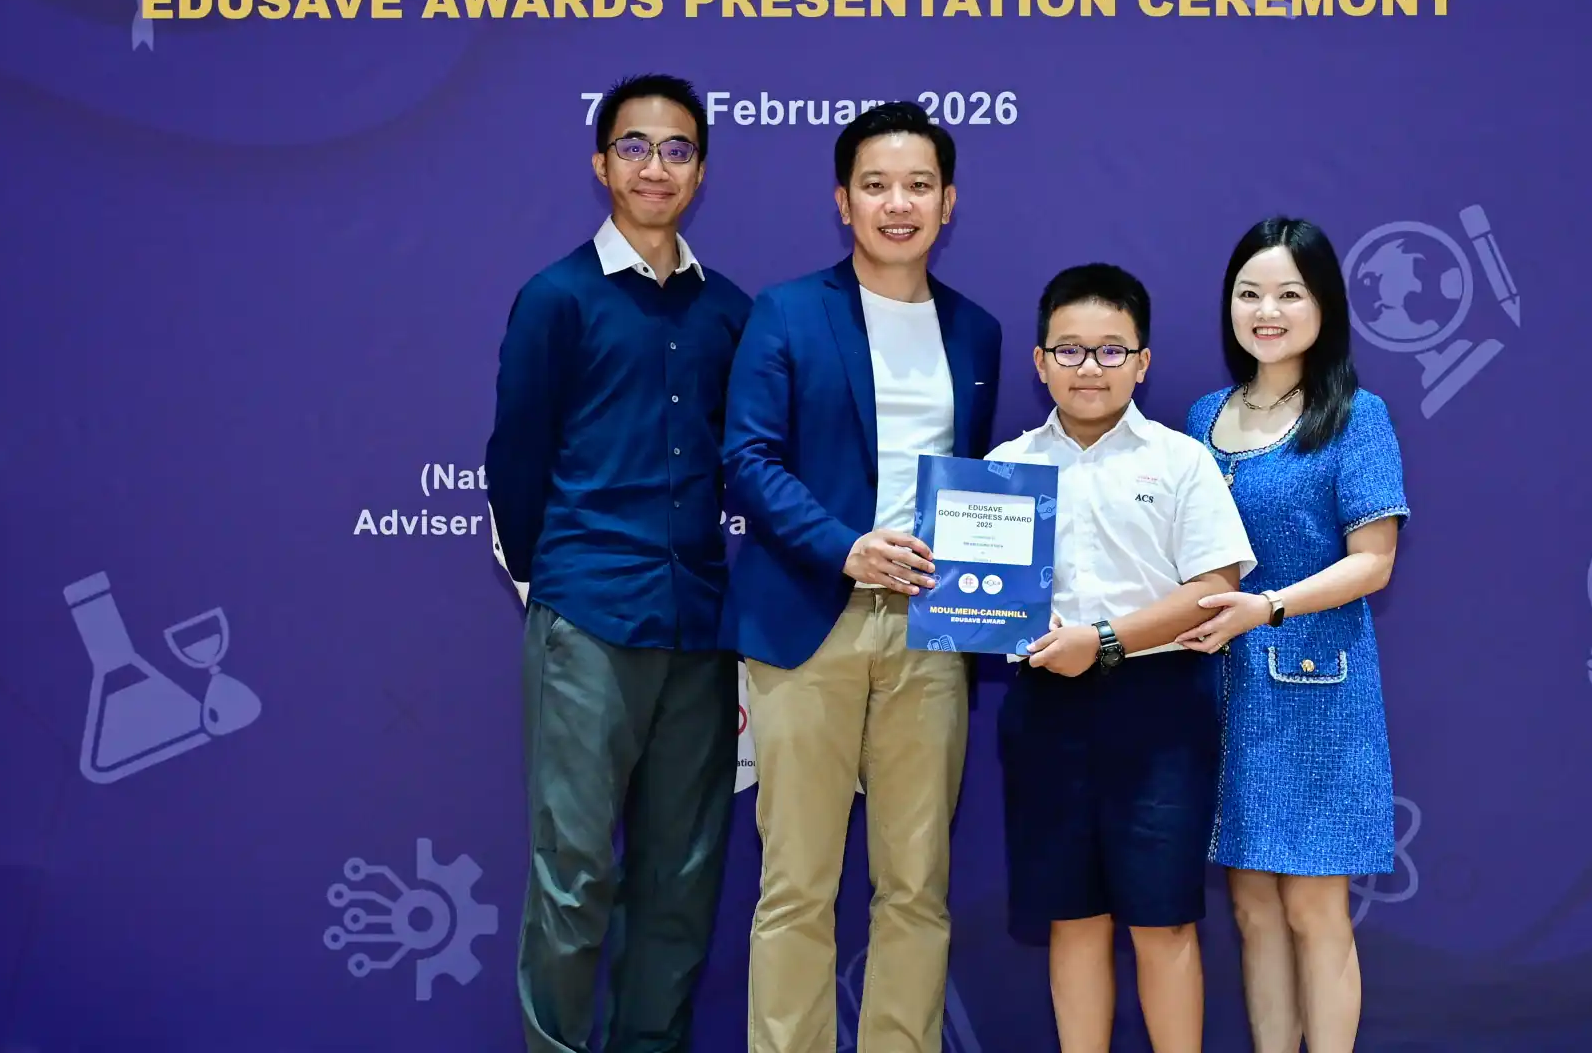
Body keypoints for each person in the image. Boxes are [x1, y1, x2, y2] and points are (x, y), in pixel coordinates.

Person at [721, 101, 1002, 1053]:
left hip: (932, 629)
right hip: (810, 618)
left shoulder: (976, 331)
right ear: (843, 201)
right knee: (796, 885)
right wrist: (844, 546)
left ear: (948, 202)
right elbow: (748, 459)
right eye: (876, 185)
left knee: (916, 885)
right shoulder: (787, 311)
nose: (898, 204)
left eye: (919, 185)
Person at [484, 73, 752, 1053]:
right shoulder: (557, 298)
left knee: (679, 883)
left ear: (701, 171)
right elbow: (515, 460)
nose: (655, 167)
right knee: (575, 875)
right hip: (588, 618)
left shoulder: (729, 310)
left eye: (677, 150)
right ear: (601, 164)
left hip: (698, 628)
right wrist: (551, 583)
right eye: (634, 147)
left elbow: (749, 462)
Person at [989, 264, 1256, 1053]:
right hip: (1046, 709)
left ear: (1142, 362)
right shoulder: (1004, 467)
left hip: (1160, 710)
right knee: (1073, 919)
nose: (1089, 368)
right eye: (1069, 350)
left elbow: (1216, 588)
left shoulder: (1180, 460)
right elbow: (980, 598)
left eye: (1111, 350)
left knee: (1162, 920)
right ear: (1039, 362)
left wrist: (1103, 641)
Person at [1176, 217, 1410, 1053]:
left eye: (1288, 294)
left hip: (1318, 693)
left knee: (1315, 906)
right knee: (1249, 906)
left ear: (1325, 306)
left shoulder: (1357, 416)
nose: (1266, 311)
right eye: (1249, 294)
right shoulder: (1204, 414)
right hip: (1218, 692)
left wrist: (1267, 606)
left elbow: (1373, 561)